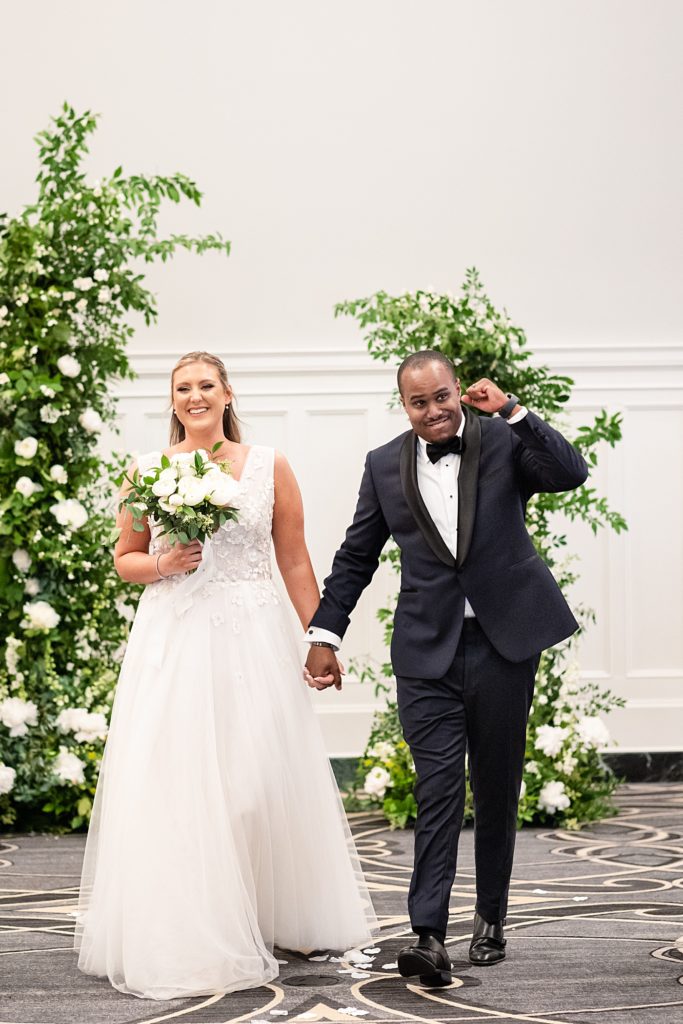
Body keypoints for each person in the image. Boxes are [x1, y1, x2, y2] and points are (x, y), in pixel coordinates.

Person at [75, 351, 376, 1000]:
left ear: (227, 393)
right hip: (175, 638)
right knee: (182, 785)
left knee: (251, 784)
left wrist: (320, 637)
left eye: (205, 385)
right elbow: (125, 559)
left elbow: (293, 561)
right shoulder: (147, 470)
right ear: (172, 400)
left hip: (250, 637)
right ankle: (194, 928)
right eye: (182, 388)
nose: (193, 396)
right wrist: (164, 564)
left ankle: (266, 913)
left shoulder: (270, 466)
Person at [304, 350, 588, 987]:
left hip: (502, 642)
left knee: (495, 782)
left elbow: (571, 472)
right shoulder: (382, 465)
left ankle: (490, 916)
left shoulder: (504, 441)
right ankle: (428, 934)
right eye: (418, 401)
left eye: (442, 397)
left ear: (460, 391)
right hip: (425, 649)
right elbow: (356, 556)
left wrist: (514, 412)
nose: (433, 411)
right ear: (403, 404)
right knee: (436, 788)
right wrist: (325, 632)